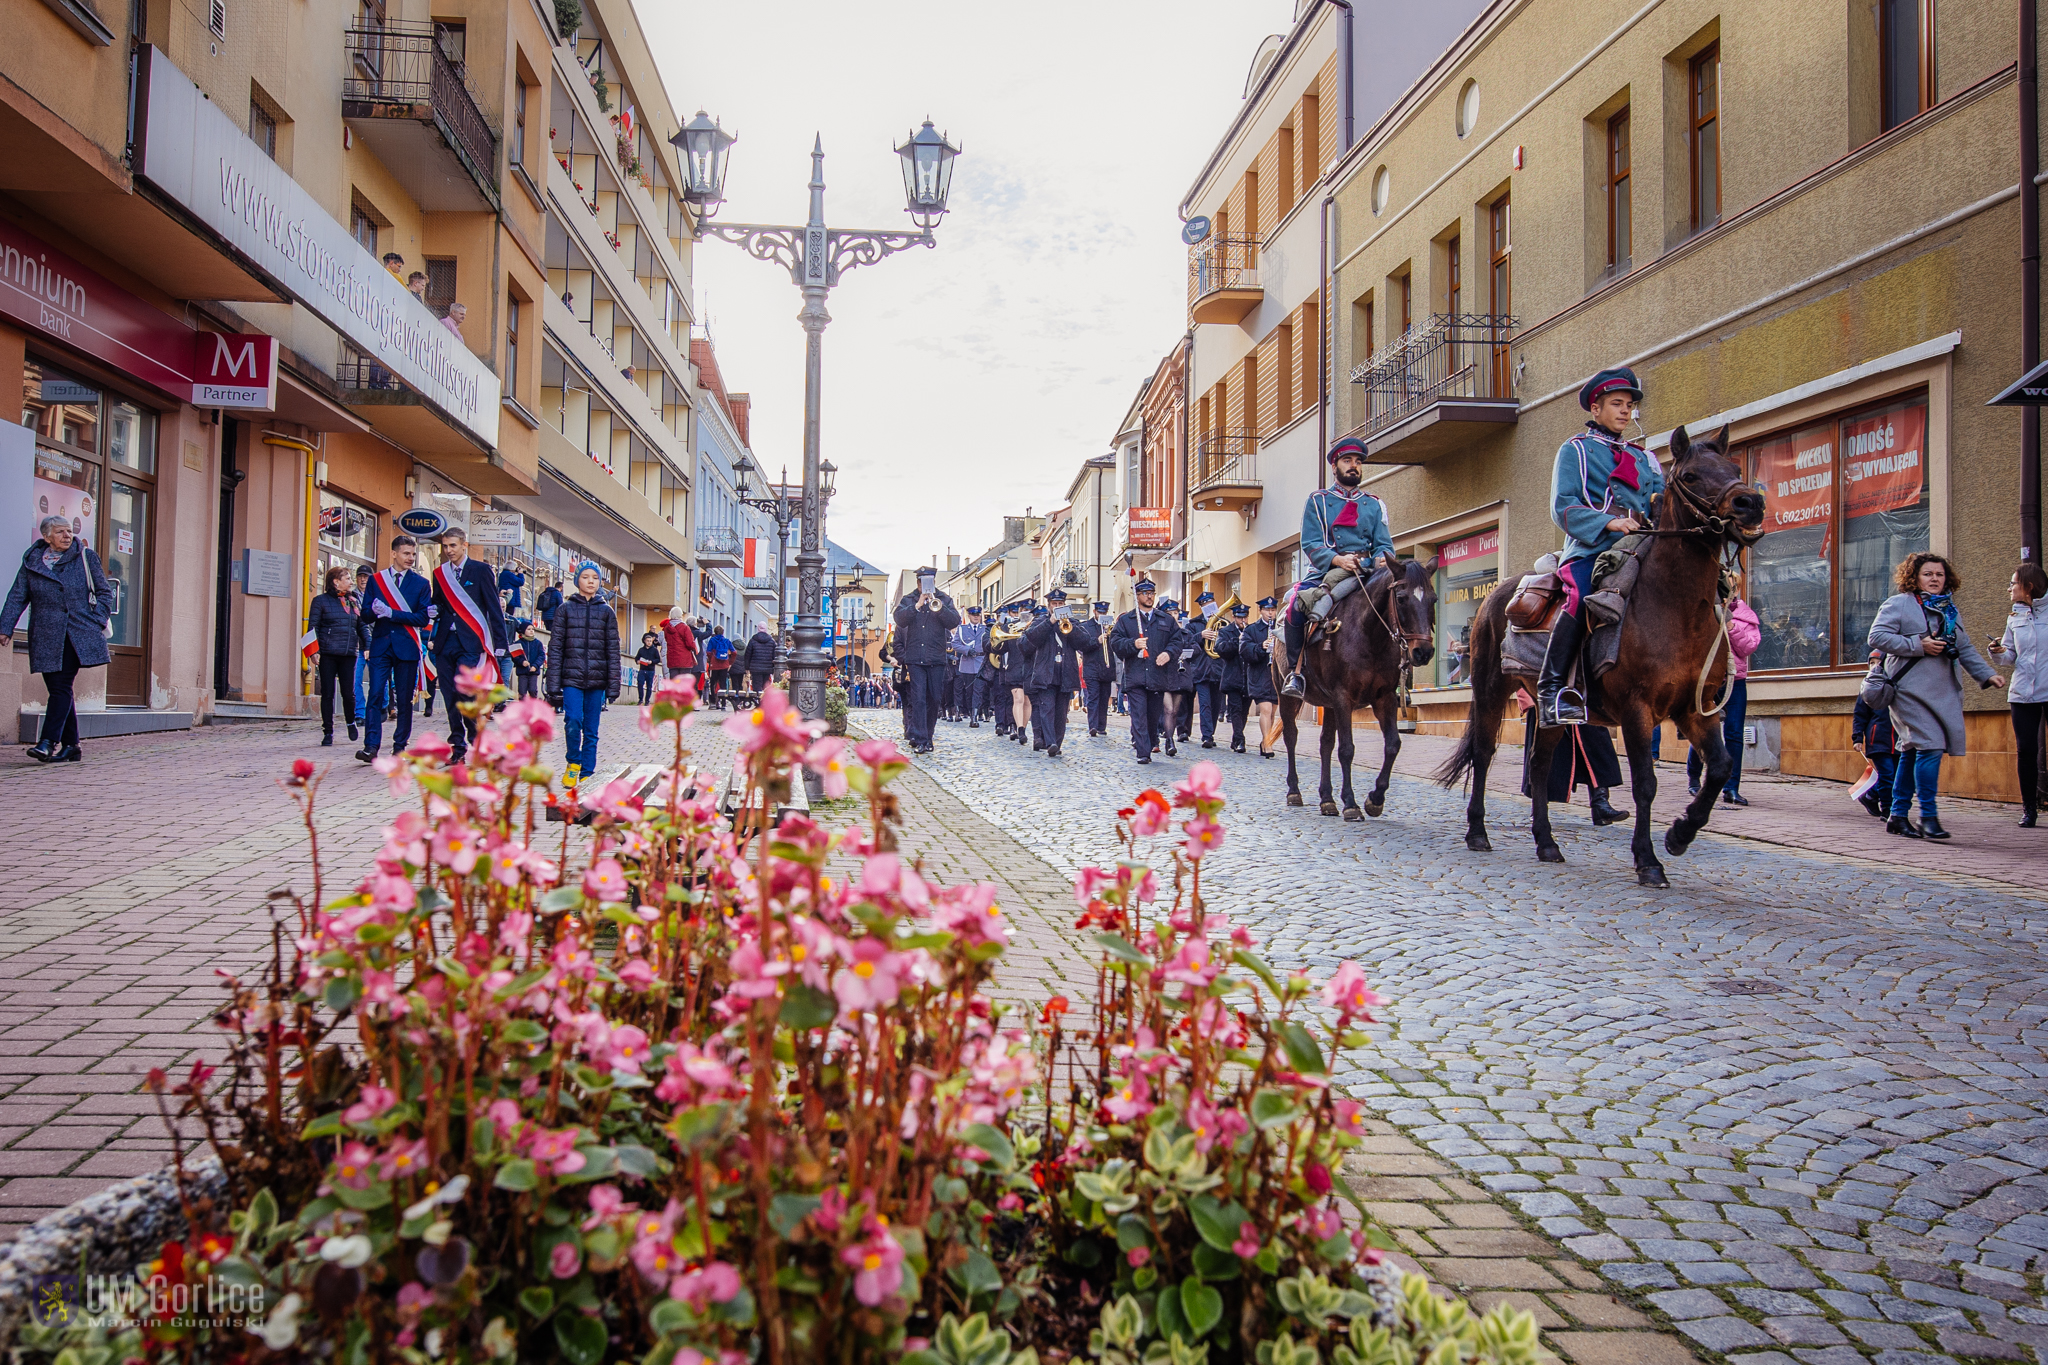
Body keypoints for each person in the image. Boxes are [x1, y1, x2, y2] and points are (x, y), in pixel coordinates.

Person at [1538, 367, 1667, 727]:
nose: (1626, 411)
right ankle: (1551, 691)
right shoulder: (1575, 450)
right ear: (1595, 409)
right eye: (1616, 404)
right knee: (1580, 596)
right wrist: (1609, 521)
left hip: (1641, 545)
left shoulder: (1645, 458)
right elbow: (1562, 505)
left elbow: (1661, 502)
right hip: (1592, 549)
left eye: (1629, 405)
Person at [1868, 551, 2003, 840]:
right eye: (1928, 574)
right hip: (1908, 691)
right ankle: (1928, 816)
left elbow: (1964, 648)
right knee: (1930, 747)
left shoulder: (1949, 610)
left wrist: (1987, 674)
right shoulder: (1899, 604)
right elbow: (1877, 637)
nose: (1934, 579)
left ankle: (1898, 815)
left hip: (1941, 691)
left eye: (1939, 574)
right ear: (1914, 577)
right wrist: (1919, 645)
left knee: (1912, 750)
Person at [1282, 437, 1397, 699]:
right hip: (1327, 570)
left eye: (1358, 462)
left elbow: (1384, 544)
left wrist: (1382, 558)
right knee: (1296, 607)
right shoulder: (1318, 500)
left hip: (1368, 569)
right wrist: (1337, 559)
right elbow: (1310, 543)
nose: (1353, 466)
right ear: (1335, 467)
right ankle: (1295, 672)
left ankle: (1399, 675)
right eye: (1347, 461)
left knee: (1401, 603)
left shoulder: (1375, 503)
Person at [2, 515, 112, 764]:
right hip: (45, 634)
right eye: (61, 532)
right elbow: (17, 595)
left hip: (77, 633)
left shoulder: (86, 557)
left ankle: (47, 742)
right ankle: (72, 745)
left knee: (61, 686)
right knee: (58, 689)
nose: (67, 536)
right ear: (46, 537)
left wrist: (96, 620)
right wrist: (6, 627)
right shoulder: (32, 561)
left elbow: (105, 593)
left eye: (69, 531)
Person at [428, 527, 512, 760]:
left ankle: (475, 735)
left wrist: (500, 643)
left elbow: (493, 608)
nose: (448, 551)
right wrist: (434, 610)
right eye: (445, 546)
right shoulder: (440, 573)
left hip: (471, 642)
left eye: (453, 546)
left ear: (464, 545)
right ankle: (457, 745)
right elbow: (440, 605)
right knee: (448, 695)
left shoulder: (481, 570)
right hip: (446, 642)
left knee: (463, 692)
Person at [354, 533, 433, 763]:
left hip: (407, 645)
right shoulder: (377, 580)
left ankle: (400, 745)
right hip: (381, 644)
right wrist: (374, 611)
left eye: (413, 554)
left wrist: (392, 613)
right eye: (406, 553)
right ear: (394, 554)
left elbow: (421, 618)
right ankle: (371, 746)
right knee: (375, 694)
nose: (410, 558)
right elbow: (365, 615)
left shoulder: (420, 583)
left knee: (405, 698)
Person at [546, 562, 621, 787]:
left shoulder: (607, 612)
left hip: (597, 680)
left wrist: (613, 684)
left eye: (595, 578)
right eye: (586, 577)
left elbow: (613, 650)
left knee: (591, 729)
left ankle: (587, 772)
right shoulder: (565, 609)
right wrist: (553, 683)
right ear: (577, 579)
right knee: (572, 721)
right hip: (571, 678)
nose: (591, 581)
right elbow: (555, 647)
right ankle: (573, 763)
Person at [1686, 596, 1762, 805]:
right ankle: (1694, 777)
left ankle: (1731, 788)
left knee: (1735, 734)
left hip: (1734, 680)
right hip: (1708, 679)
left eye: (1730, 586)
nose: (1726, 592)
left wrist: (1730, 625)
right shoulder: (1703, 610)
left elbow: (1747, 648)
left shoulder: (1745, 617)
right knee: (1703, 731)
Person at [1990, 562, 2048, 826]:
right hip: (2023, 693)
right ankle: (2029, 809)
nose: (2010, 588)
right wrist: (1998, 652)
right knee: (2026, 750)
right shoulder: (2014, 617)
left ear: (2029, 586)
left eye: (2013, 583)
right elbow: (2011, 656)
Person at [892, 567, 962, 754]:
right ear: (917, 583)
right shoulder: (908, 599)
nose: (925, 586)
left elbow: (954, 621)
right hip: (915, 658)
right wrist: (917, 605)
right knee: (918, 698)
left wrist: (938, 608)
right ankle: (921, 739)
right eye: (922, 582)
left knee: (934, 698)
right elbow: (899, 619)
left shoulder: (944, 599)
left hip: (936, 658)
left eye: (928, 582)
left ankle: (928, 736)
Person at [1111, 579, 1179, 764]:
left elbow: (1177, 640)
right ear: (1138, 596)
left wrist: (1168, 653)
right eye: (1145, 593)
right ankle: (1142, 752)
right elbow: (1115, 642)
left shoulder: (1166, 619)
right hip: (1136, 676)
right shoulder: (1127, 620)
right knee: (1139, 715)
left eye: (1152, 593)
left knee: (1152, 716)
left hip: (1157, 675)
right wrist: (1133, 644)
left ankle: (1149, 742)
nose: (1149, 597)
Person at [1022, 588, 1085, 757]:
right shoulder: (1041, 621)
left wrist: (1071, 627)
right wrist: (1050, 622)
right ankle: (1050, 742)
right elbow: (1031, 637)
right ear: (1049, 606)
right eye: (1054, 604)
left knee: (1061, 712)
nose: (1057, 607)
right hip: (1046, 673)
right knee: (1047, 709)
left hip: (1065, 673)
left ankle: (1057, 742)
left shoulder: (1072, 622)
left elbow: (1085, 641)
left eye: (1060, 604)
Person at [307, 564, 365, 747]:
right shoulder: (320, 601)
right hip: (328, 653)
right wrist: (312, 651)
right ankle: (328, 731)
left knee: (348, 693)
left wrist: (368, 645)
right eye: (347, 578)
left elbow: (361, 625)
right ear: (336, 582)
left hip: (348, 653)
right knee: (328, 693)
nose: (350, 581)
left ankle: (350, 722)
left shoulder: (354, 601)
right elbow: (312, 627)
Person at [1851, 654, 1898, 820]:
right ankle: (1888, 809)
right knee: (1887, 775)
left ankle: (1870, 795)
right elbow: (1860, 714)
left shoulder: (1896, 684)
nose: (1875, 666)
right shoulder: (1869, 688)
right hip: (1878, 739)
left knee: (1897, 776)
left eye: (1879, 663)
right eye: (1872, 663)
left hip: (1899, 739)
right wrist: (1857, 738)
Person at [1245, 597, 1281, 757]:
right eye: (1267, 610)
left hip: (1275, 675)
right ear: (1261, 611)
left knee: (1273, 711)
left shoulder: (1280, 628)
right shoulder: (1252, 630)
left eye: (1273, 610)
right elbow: (1244, 650)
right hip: (1259, 674)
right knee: (1265, 709)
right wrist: (1261, 647)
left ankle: (1265, 740)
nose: (1271, 613)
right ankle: (1267, 744)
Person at [1190, 592, 1227, 748]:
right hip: (1201, 669)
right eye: (1205, 604)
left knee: (1216, 705)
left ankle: (1210, 732)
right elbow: (1186, 641)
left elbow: (1229, 643)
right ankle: (1207, 736)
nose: (1209, 606)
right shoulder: (1193, 624)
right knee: (1205, 703)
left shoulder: (1224, 623)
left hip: (1218, 669)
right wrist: (1201, 635)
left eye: (1211, 603)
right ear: (1201, 607)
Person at [1216, 600, 1252, 752]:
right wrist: (1239, 640)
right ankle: (1240, 740)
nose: (1242, 620)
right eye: (1239, 617)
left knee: (1244, 711)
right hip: (1232, 677)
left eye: (1245, 617)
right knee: (1235, 710)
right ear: (1233, 617)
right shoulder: (1225, 631)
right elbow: (1221, 649)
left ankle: (1236, 738)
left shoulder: (1252, 630)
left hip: (1248, 678)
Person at [1078, 601, 1115, 735]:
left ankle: (1101, 726)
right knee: (1093, 697)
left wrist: (1110, 633)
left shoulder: (1112, 627)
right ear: (1094, 612)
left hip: (1106, 667)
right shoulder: (1086, 626)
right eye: (1100, 613)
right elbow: (1082, 646)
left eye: (1104, 613)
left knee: (1104, 698)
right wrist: (1097, 641)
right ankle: (1092, 726)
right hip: (1091, 667)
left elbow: (1116, 646)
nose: (1102, 615)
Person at [951, 606, 989, 728]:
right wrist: (967, 650)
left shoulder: (985, 629)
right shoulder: (962, 629)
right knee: (969, 692)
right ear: (969, 616)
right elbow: (955, 644)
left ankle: (975, 717)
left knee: (978, 691)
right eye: (973, 615)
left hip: (981, 662)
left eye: (978, 614)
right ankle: (970, 712)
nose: (976, 616)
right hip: (967, 664)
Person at [660, 607, 699, 683]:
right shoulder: (684, 627)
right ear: (680, 615)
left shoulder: (667, 628)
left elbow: (667, 640)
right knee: (684, 684)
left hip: (672, 659)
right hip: (684, 659)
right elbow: (690, 644)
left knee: (674, 683)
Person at [512, 620, 546, 700]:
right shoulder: (517, 644)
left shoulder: (538, 643)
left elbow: (541, 656)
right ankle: (522, 708)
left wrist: (535, 665)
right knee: (522, 692)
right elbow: (515, 657)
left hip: (533, 671)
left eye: (532, 629)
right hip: (522, 672)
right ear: (523, 631)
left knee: (533, 690)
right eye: (528, 629)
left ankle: (533, 707)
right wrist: (521, 662)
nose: (531, 631)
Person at [705, 624, 734, 708]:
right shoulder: (727, 641)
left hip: (714, 665)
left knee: (713, 683)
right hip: (724, 665)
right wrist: (730, 662)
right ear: (723, 632)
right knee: (723, 683)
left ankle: (714, 702)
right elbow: (734, 652)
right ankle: (723, 703)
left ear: (715, 632)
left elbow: (708, 652)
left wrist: (711, 659)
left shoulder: (712, 640)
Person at [743, 625, 778, 693]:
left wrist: (747, 667)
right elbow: (775, 655)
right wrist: (773, 668)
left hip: (755, 669)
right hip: (768, 668)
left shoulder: (753, 640)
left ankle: (757, 701)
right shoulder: (771, 641)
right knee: (765, 687)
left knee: (757, 687)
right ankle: (764, 702)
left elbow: (748, 655)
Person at [633, 631, 661, 704]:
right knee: (640, 684)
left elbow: (658, 659)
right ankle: (640, 699)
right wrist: (637, 661)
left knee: (649, 686)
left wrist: (652, 662)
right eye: (647, 641)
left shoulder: (654, 650)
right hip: (642, 669)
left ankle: (647, 700)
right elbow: (637, 658)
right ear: (644, 641)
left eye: (650, 641)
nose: (649, 642)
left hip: (650, 670)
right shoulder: (641, 650)